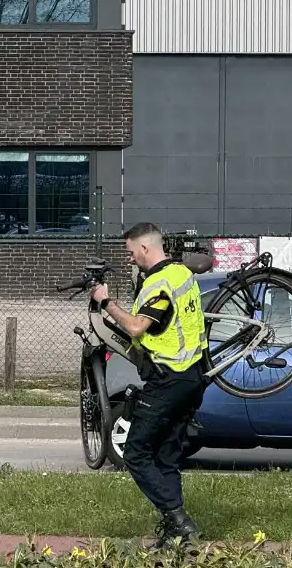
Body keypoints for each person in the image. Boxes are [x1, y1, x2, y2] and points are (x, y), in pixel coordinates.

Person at [90, 222, 208, 550]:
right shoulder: (182, 274)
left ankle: (180, 522)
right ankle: (176, 537)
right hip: (192, 376)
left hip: (169, 378)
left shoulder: (159, 282)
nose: (129, 259)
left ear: (144, 248)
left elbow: (137, 326)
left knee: (136, 452)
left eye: (130, 252)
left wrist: (106, 301)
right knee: (166, 456)